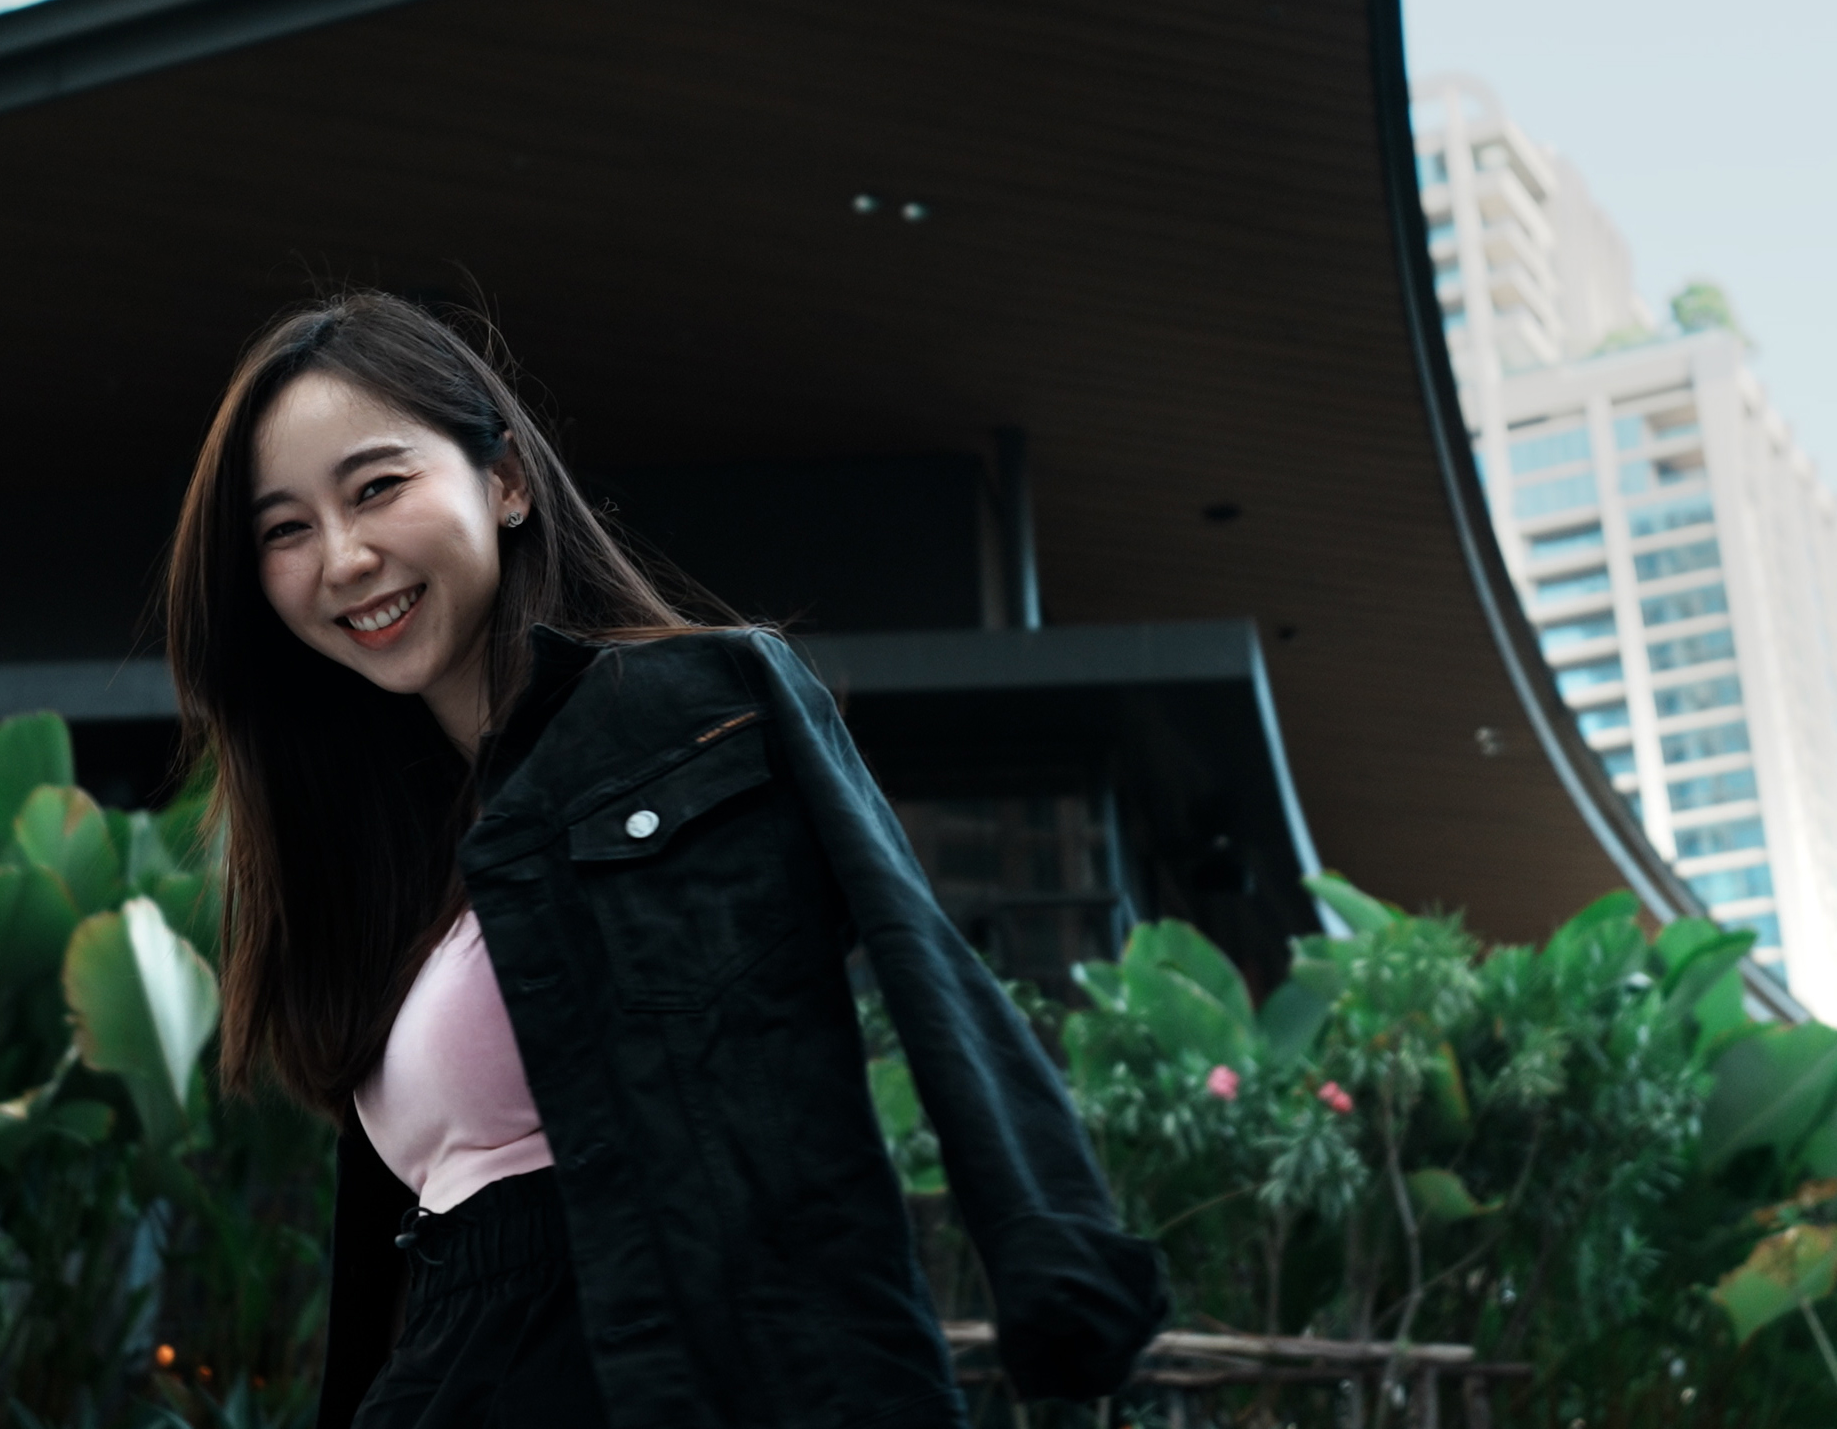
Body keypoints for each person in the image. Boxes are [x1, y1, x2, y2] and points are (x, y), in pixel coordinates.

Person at [167, 292, 1164, 1429]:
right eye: (283, 528)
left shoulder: (698, 704)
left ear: (505, 481)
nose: (343, 557)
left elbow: (925, 965)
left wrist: (1056, 1266)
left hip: (685, 1364)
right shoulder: (384, 861)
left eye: (377, 486)